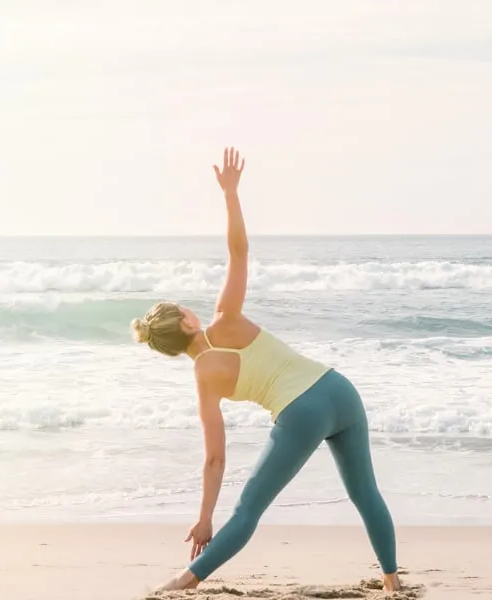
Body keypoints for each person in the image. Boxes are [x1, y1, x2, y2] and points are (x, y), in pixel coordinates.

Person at [130, 147, 401, 593]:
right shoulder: (225, 319)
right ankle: (391, 580)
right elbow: (239, 252)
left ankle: (184, 581)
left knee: (248, 510)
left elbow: (215, 459)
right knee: (365, 493)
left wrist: (204, 518)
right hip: (339, 389)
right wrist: (231, 195)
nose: (189, 306)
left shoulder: (204, 379)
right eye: (183, 306)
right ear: (186, 322)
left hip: (301, 412)